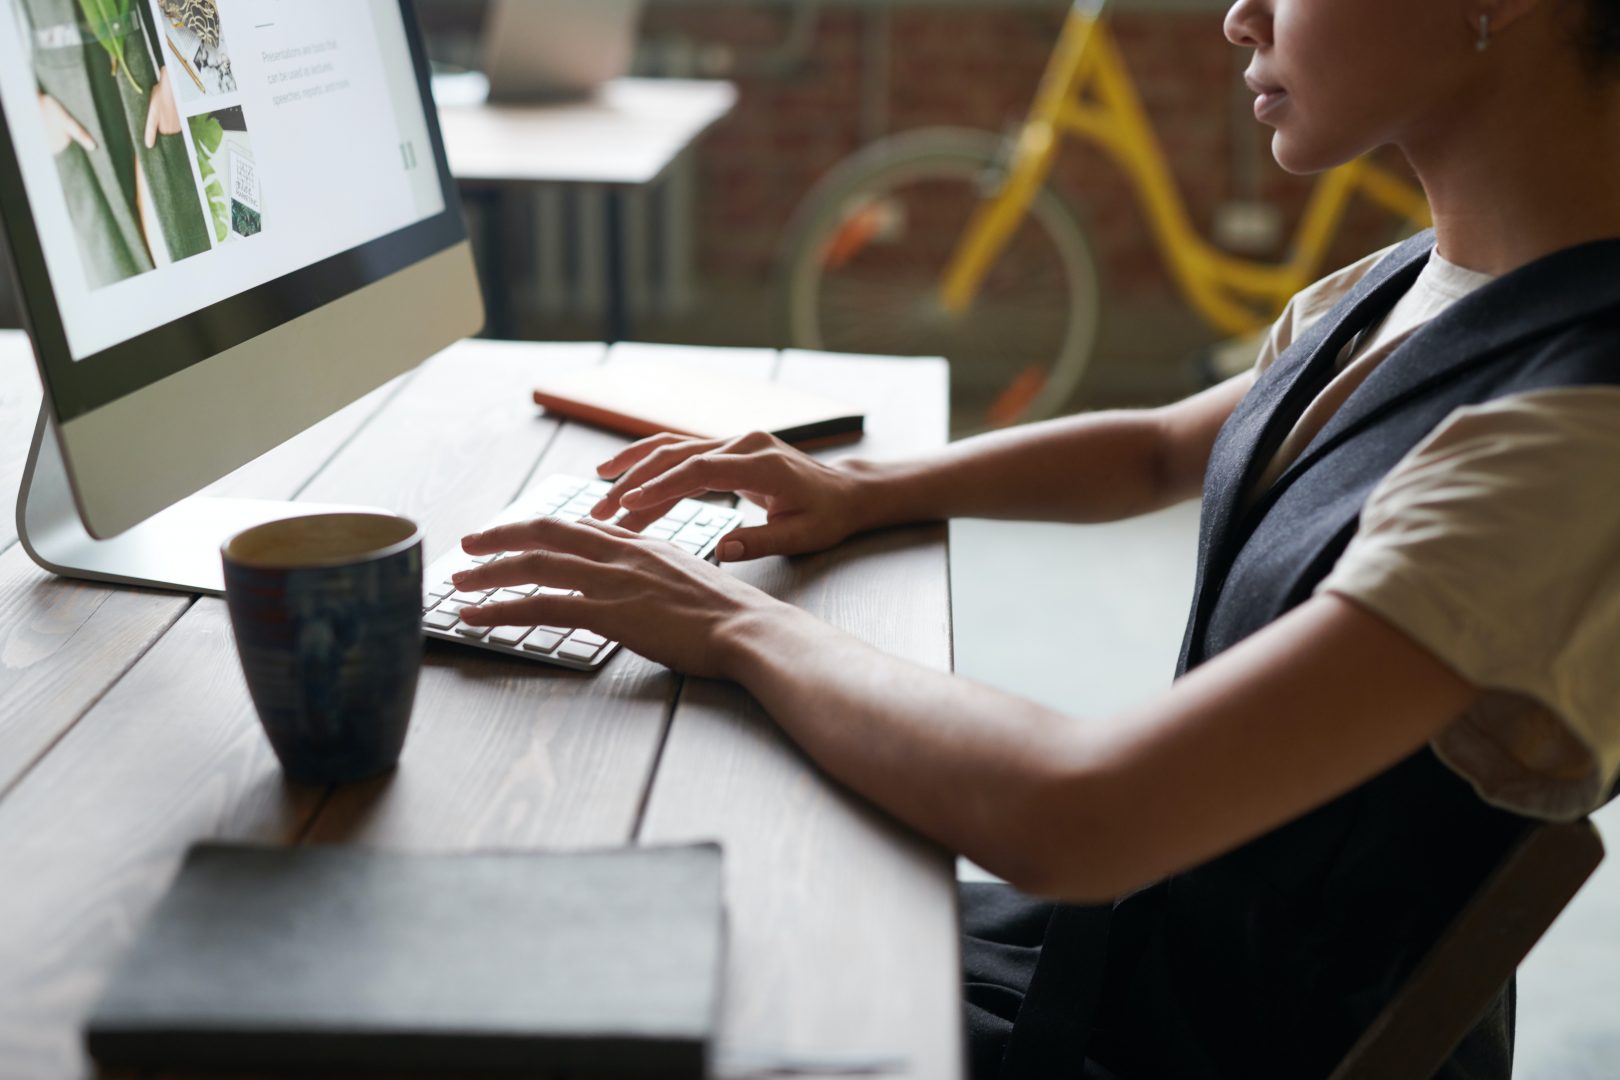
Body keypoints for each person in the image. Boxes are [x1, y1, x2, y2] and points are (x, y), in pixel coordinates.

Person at [455, 0, 1620, 1075]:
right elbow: (1164, 449)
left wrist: (725, 621)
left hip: (1172, 1047)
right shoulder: (1420, 279)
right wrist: (859, 486)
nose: (1239, 16)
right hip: (1122, 958)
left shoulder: (1572, 436)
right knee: (640, 923)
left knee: (549, 999)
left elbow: (1083, 815)